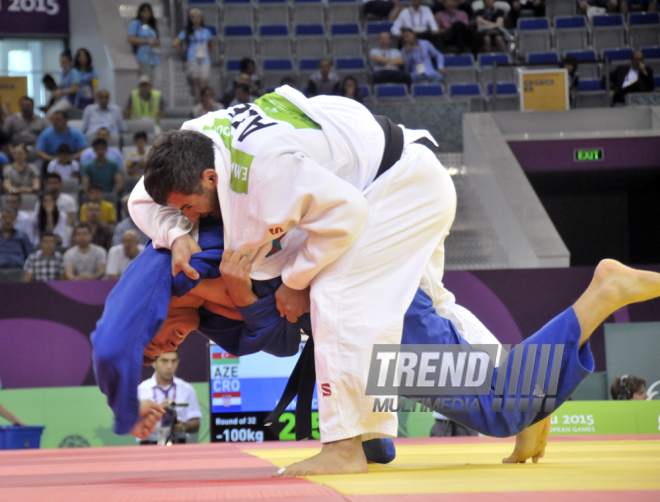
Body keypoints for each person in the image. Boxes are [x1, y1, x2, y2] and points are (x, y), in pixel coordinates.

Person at [123, 87, 534, 474]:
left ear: (210, 179)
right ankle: (523, 398)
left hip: (394, 188)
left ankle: (344, 448)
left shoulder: (263, 170)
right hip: (395, 168)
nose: (191, 219)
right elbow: (139, 200)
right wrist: (173, 233)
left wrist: (296, 282)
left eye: (189, 208)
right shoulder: (191, 145)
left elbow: (348, 214)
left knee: (334, 297)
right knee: (434, 306)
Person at [93, 211, 660, 472]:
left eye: (154, 338)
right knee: (392, 438)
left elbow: (110, 341)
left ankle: (600, 297)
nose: (165, 341)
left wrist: (126, 406)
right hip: (353, 309)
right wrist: (242, 297)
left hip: (370, 277)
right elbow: (283, 338)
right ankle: (531, 385)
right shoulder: (212, 315)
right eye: (160, 350)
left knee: (493, 405)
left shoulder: (173, 265)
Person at [136, 350, 201, 444]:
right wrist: (158, 410)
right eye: (164, 361)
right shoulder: (141, 390)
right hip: (149, 443)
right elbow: (133, 423)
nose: (170, 366)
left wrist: (182, 426)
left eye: (173, 361)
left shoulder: (187, 389)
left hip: (179, 443)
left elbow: (195, 424)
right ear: (154, 362)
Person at [173, 8, 215, 103]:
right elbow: (175, 43)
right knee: (196, 81)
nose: (196, 19)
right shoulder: (187, 31)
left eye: (198, 17)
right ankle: (198, 100)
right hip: (192, 57)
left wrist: (209, 52)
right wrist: (184, 51)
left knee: (204, 80)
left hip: (204, 58)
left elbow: (211, 44)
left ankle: (205, 100)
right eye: (193, 17)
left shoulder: (206, 32)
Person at [127, 2, 161, 87]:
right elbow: (130, 38)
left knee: (156, 82)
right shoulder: (136, 24)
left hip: (154, 57)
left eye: (148, 11)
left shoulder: (152, 26)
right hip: (143, 57)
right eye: (144, 11)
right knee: (146, 80)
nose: (146, 14)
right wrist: (146, 41)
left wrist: (156, 42)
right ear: (140, 12)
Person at [46, 51, 80, 118]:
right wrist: (55, 93)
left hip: (70, 100)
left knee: (52, 114)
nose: (62, 64)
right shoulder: (62, 73)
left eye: (64, 61)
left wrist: (61, 92)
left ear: (70, 62)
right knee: (48, 113)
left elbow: (74, 89)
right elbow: (61, 85)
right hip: (62, 98)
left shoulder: (73, 72)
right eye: (61, 61)